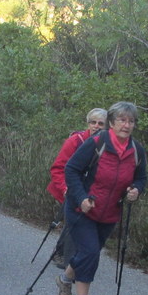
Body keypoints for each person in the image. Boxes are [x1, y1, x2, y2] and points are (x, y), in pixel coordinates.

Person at [59, 101, 147, 295]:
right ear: (111, 122)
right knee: (90, 253)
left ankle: (65, 279)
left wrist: (136, 189)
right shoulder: (96, 142)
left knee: (89, 252)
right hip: (82, 209)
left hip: (110, 213)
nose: (126, 125)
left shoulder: (136, 150)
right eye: (122, 120)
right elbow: (71, 169)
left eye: (131, 121)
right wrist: (81, 198)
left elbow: (141, 177)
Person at [46, 108, 108, 271]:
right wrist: (66, 188)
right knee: (76, 219)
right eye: (93, 122)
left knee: (76, 222)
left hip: (91, 191)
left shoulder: (108, 144)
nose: (96, 126)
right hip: (69, 188)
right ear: (87, 124)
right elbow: (58, 168)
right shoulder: (76, 140)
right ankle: (70, 263)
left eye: (101, 123)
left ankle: (61, 253)